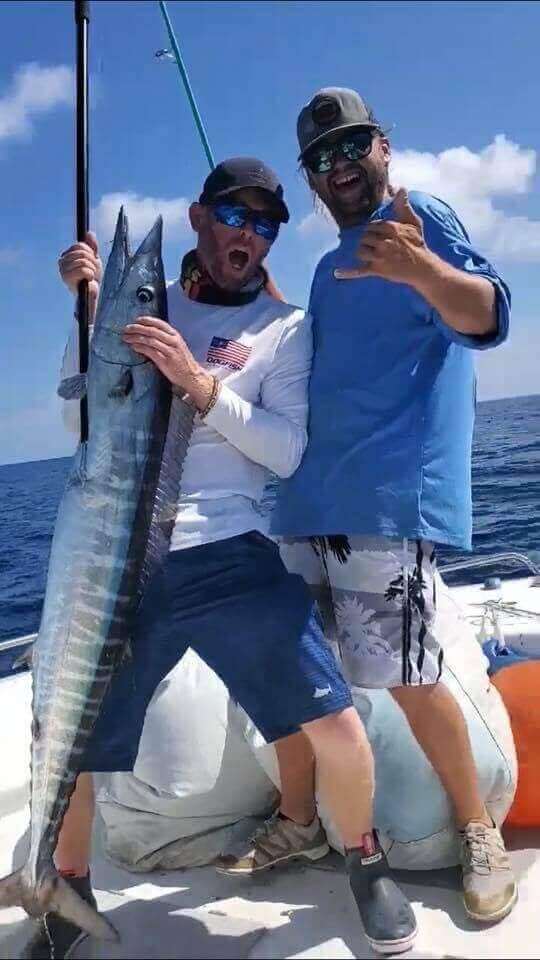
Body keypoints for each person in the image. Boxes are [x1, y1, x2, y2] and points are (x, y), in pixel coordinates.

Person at [25, 158, 417, 959]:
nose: (250, 235)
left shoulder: (285, 328)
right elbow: (84, 422)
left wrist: (200, 386)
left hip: (234, 553)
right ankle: (63, 892)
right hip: (128, 562)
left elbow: (284, 450)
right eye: (235, 217)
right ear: (200, 219)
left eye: (267, 224)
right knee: (74, 740)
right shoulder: (144, 309)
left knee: (337, 724)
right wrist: (87, 317)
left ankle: (365, 860)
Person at [217, 92, 518, 926]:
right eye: (322, 156)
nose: (340, 165)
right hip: (305, 502)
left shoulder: (421, 219)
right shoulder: (327, 267)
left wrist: (422, 267)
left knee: (414, 681)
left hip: (385, 504)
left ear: (383, 145)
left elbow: (487, 314)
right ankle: (301, 821)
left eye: (352, 145)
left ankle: (475, 829)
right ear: (312, 176)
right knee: (300, 680)